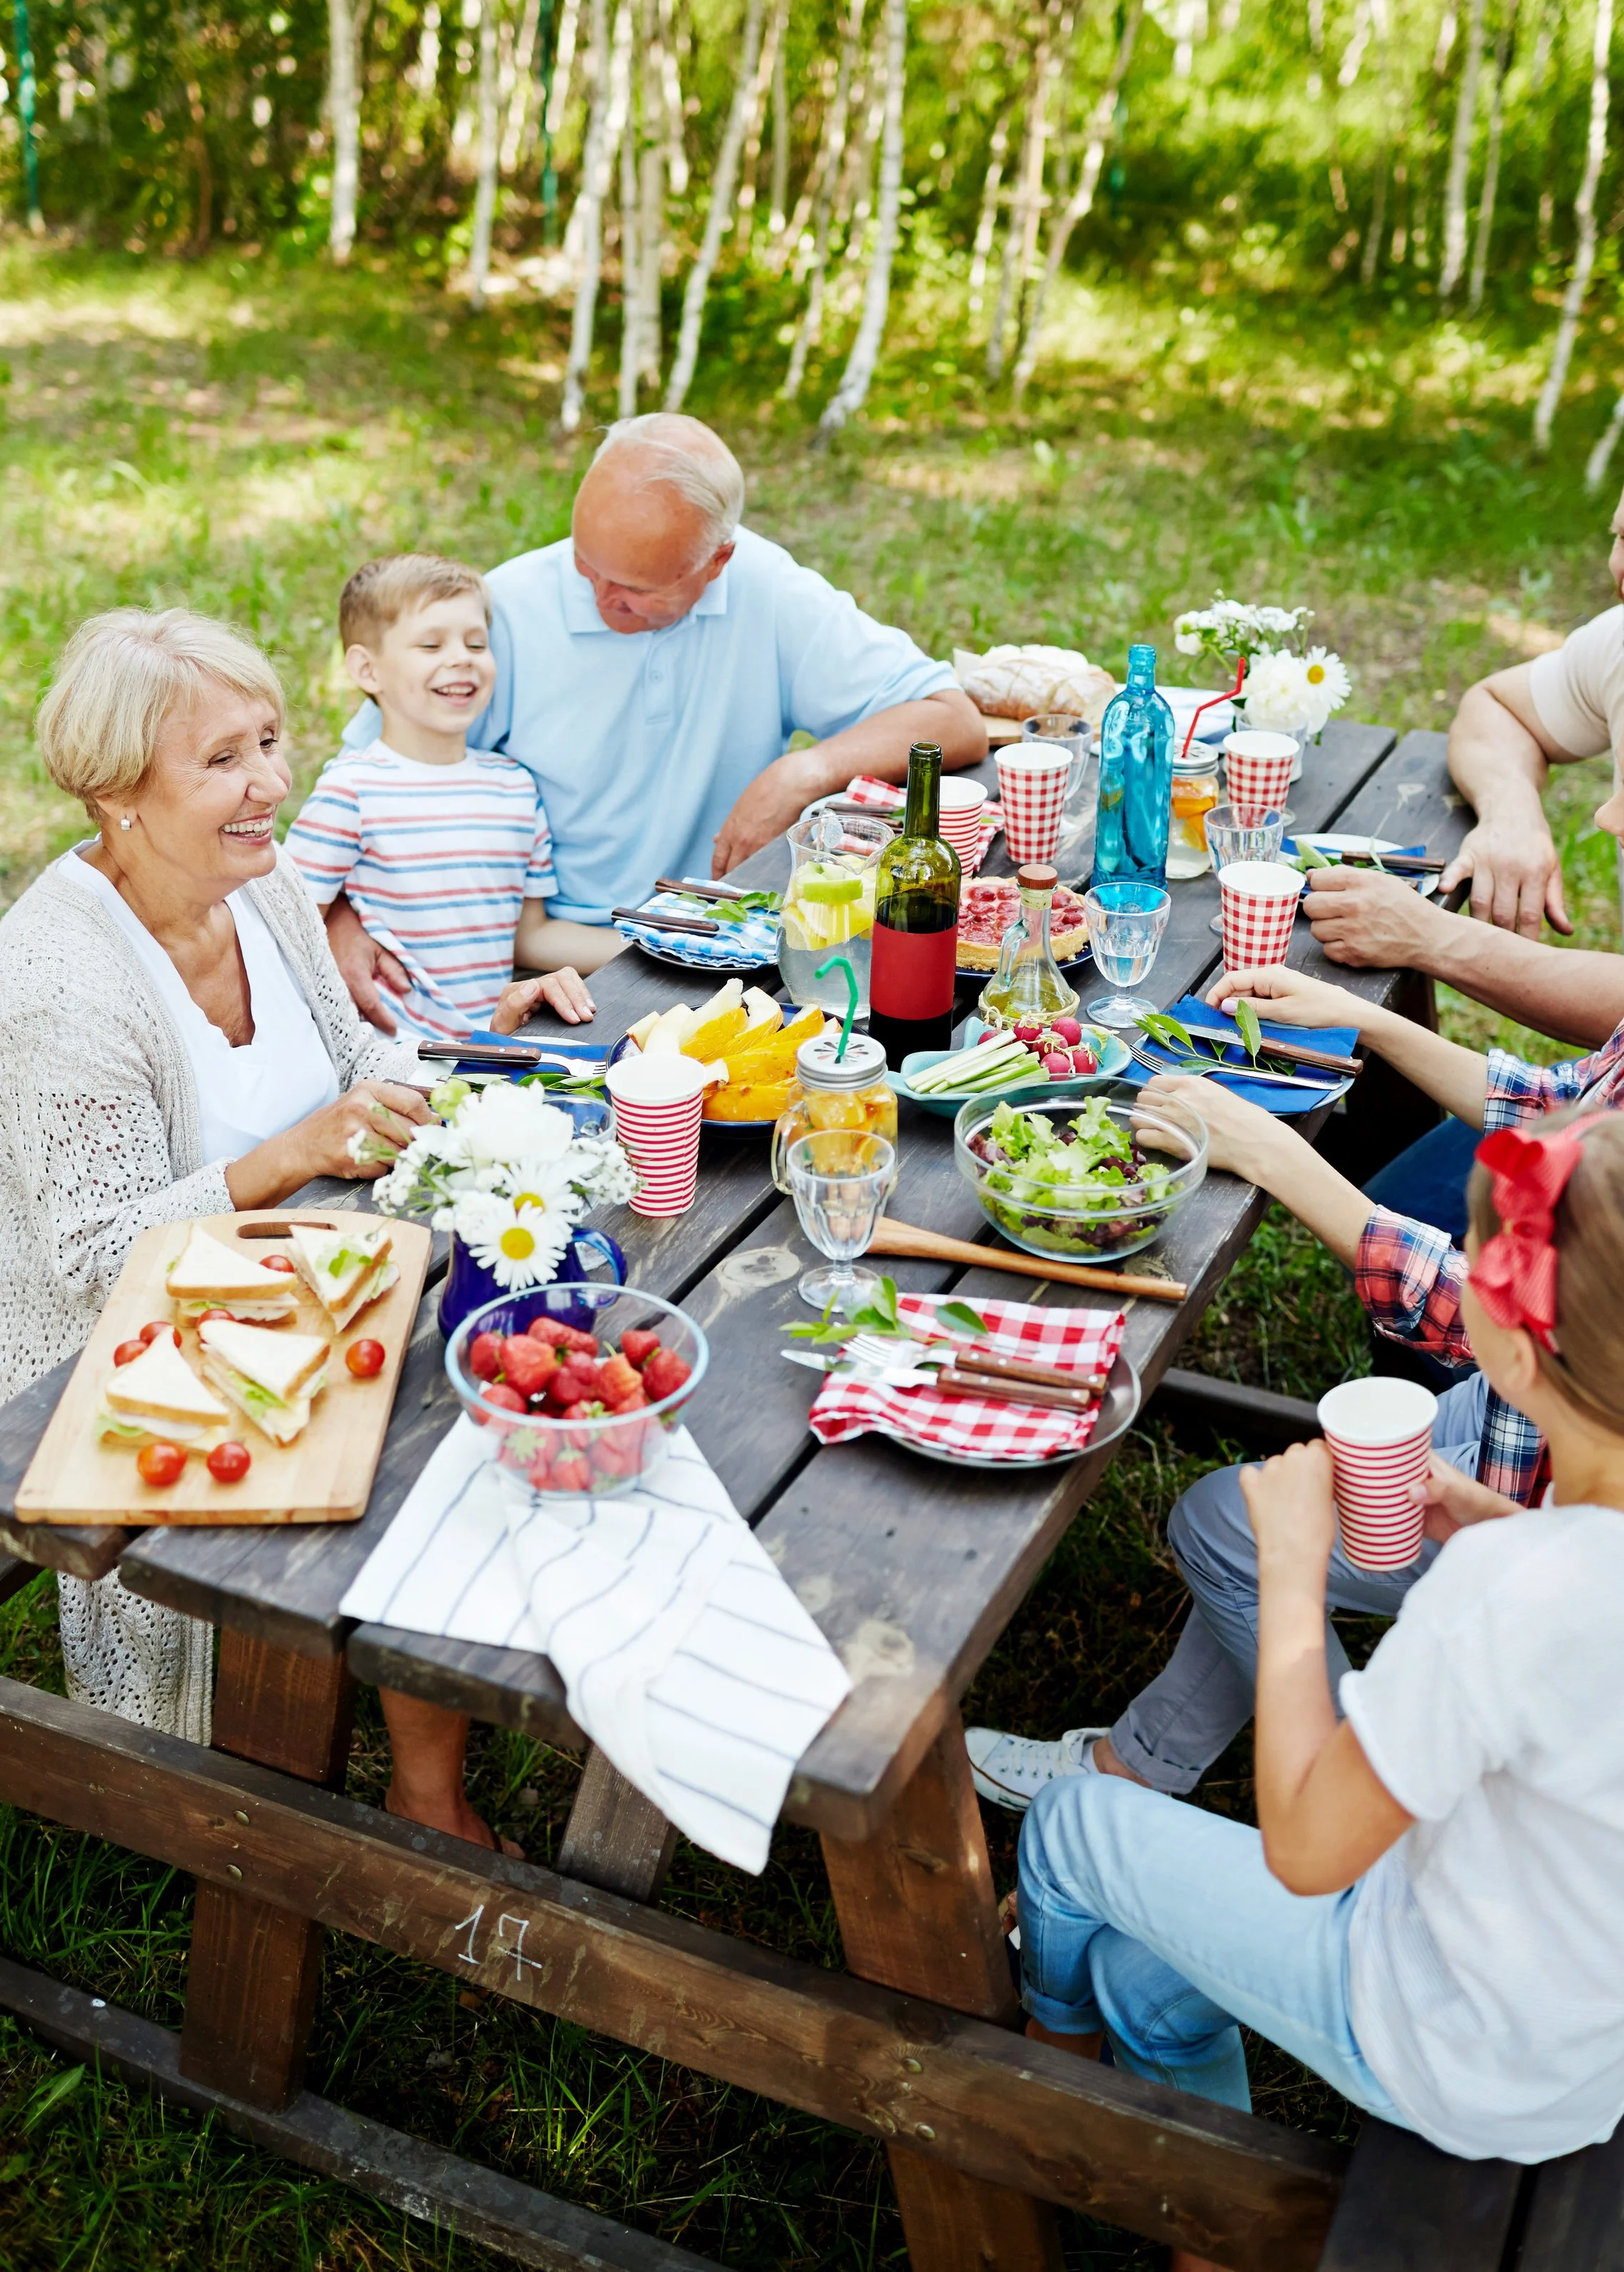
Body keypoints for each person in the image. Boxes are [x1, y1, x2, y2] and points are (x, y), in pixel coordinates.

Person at [967, 631, 1624, 1810]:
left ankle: (1370, 1799)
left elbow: (1504, 1318)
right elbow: (1572, 1113)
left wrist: (1267, 1153)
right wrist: (1378, 1027)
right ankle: (1131, 1768)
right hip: (1615, 1422)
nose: (1605, 822)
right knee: (1292, 1489)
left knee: (1221, 1526)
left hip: (1591, 1488)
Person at [1018, 1112, 1624, 2218]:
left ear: (1511, 1353)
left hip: (1459, 2045)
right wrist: (1483, 1520)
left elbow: (1306, 1849)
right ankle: (1204, 2218)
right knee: (1147, 1987)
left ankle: (1039, 2103)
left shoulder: (1503, 1601)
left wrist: (1290, 1568)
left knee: (1071, 1829)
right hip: (1599, 1985)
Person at [0, 610, 509, 1849]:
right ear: (117, 791)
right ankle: (354, 1799)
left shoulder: (264, 879)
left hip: (308, 1277)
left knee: (486, 1363)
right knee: (429, 1432)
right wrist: (290, 1158)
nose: (272, 784)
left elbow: (357, 1049)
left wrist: (413, 1084)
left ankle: (423, 1762)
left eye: (272, 741)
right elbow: (84, 1258)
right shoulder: (56, 972)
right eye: (224, 759)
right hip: (123, 1353)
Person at [325, 413, 986, 1030]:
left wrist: (804, 772)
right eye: (586, 561)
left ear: (716, 563)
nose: (597, 593)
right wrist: (344, 914)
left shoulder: (767, 588)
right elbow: (369, 777)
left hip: (729, 955)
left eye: (636, 588)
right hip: (550, 967)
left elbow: (954, 720)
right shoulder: (500, 615)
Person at [1312, 389, 1624, 1243]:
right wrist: (1510, 814)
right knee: (1408, 1202)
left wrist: (1433, 940)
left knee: (1468, 1251)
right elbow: (1496, 707)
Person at [286, 553, 607, 1043]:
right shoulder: (350, 790)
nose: (461, 657)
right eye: (431, 644)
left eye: (477, 643)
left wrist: (650, 948)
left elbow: (532, 935)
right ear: (368, 670)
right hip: (382, 1061)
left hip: (492, 1051)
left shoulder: (515, 788)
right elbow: (287, 927)